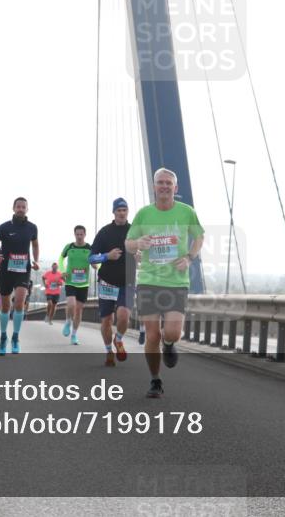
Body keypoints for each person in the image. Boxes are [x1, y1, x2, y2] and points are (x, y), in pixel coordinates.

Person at [125, 169, 204, 398]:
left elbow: (199, 237)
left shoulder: (187, 212)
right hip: (149, 280)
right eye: (160, 183)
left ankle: (169, 345)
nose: (164, 186)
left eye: (169, 183)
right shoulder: (143, 214)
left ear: (175, 188)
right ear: (154, 187)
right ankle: (155, 380)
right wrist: (137, 242)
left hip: (176, 282)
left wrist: (189, 257)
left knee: (172, 331)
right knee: (151, 336)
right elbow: (129, 243)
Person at [0, 197, 39, 356]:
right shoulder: (4, 227)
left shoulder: (32, 228)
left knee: (19, 303)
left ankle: (15, 338)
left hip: (23, 270)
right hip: (6, 271)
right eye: (18, 206)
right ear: (13, 208)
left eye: (23, 207)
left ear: (27, 209)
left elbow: (35, 245)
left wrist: (36, 260)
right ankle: (3, 338)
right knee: (5, 306)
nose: (21, 209)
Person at [90, 198, 136, 367]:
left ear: (127, 212)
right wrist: (106, 256)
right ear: (114, 212)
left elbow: (146, 254)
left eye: (124, 210)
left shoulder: (134, 231)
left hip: (127, 282)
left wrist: (140, 257)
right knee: (107, 321)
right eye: (119, 210)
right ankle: (109, 351)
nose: (122, 213)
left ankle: (118, 340)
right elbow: (91, 257)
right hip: (107, 282)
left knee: (124, 315)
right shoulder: (105, 232)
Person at [59, 225, 91, 345]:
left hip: (83, 284)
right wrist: (62, 271)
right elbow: (61, 258)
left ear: (85, 235)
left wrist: (96, 266)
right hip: (70, 281)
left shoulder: (89, 248)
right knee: (71, 304)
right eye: (77, 234)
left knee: (78, 310)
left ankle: (74, 334)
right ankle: (68, 321)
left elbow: (96, 262)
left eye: (81, 234)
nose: (79, 236)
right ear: (74, 235)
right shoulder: (69, 247)